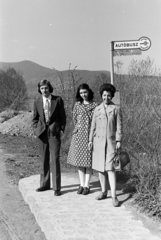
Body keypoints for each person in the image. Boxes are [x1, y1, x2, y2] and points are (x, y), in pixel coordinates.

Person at [88, 83, 122, 207]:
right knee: (100, 170)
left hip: (111, 144)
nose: (106, 97)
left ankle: (114, 196)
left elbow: (119, 126)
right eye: (104, 95)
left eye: (108, 95)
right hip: (98, 143)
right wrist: (90, 140)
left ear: (112, 96)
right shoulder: (97, 109)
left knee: (111, 170)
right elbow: (93, 126)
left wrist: (118, 140)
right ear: (101, 95)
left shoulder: (116, 109)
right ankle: (103, 192)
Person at [32, 79, 66, 196]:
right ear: (39, 90)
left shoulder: (58, 100)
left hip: (54, 132)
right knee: (44, 159)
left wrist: (61, 129)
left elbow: (63, 116)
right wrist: (36, 129)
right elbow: (35, 118)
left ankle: (57, 187)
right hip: (42, 133)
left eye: (46, 88)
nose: (44, 90)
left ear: (49, 88)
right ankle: (45, 184)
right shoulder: (37, 101)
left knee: (55, 159)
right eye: (42, 88)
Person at [67, 83, 97, 195]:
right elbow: (74, 120)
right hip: (79, 136)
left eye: (85, 92)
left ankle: (87, 186)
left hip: (90, 136)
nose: (83, 94)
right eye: (81, 93)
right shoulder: (77, 105)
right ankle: (81, 184)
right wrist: (78, 130)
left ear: (89, 92)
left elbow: (96, 122)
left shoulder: (95, 105)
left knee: (88, 162)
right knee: (80, 162)